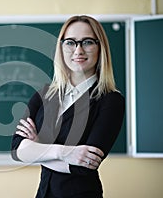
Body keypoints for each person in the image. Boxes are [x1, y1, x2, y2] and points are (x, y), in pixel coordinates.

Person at [11, 15, 125, 198]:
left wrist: (38, 148)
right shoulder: (44, 95)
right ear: (61, 47)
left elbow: (84, 167)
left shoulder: (110, 100)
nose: (78, 50)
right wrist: (64, 153)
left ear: (100, 47)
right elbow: (17, 150)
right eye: (70, 42)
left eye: (87, 42)